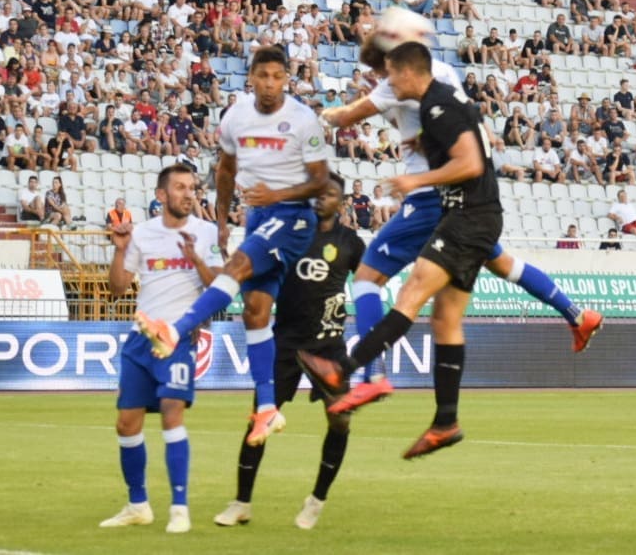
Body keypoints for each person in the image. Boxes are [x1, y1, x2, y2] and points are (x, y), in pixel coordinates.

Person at [298, 42, 587, 460]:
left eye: (390, 75)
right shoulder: (444, 98)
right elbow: (467, 140)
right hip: (467, 213)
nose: (387, 84)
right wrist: (422, 145)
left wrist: (415, 180)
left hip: (462, 214)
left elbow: (469, 163)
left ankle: (354, 371)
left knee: (402, 291)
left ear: (407, 71)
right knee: (448, 317)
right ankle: (446, 421)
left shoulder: (436, 104)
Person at [134, 45, 329, 447]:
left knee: (238, 267)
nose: (270, 84)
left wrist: (277, 195)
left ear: (286, 79)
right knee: (255, 313)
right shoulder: (236, 117)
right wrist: (221, 221)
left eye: (278, 77)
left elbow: (320, 181)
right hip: (258, 217)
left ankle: (175, 331)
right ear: (251, 78)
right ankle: (268, 408)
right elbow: (225, 170)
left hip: (293, 217)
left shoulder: (303, 119)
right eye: (264, 76)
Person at [213, 172, 364, 531]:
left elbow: (371, 280)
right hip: (285, 342)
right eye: (317, 192)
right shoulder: (291, 232)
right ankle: (241, 502)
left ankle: (317, 499)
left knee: (340, 420)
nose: (321, 198)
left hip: (328, 344)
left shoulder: (350, 242)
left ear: (341, 202)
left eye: (330, 194)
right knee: (260, 421)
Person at [100, 164, 223, 534]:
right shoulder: (142, 234)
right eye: (180, 187)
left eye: (192, 188)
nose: (189, 194)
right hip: (142, 336)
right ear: (161, 195)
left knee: (172, 411)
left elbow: (219, 288)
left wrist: (196, 258)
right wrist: (121, 250)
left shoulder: (206, 232)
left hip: (179, 336)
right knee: (126, 422)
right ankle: (137, 505)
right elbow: (117, 288)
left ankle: (179, 508)